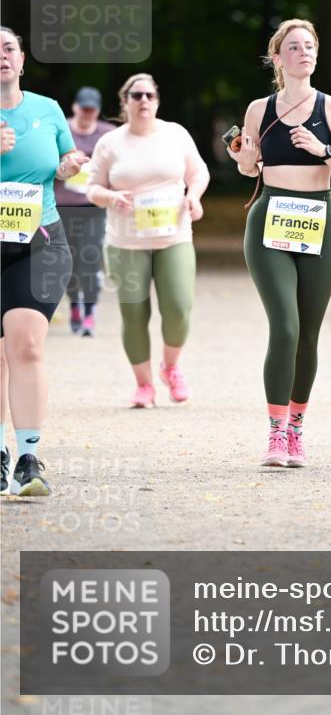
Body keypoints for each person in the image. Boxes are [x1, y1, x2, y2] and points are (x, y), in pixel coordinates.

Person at [229, 19, 331, 468]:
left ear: (316, 55)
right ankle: (274, 433)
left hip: (319, 218)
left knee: (308, 333)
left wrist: (321, 149)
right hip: (270, 218)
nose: (303, 52)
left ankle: (297, 431)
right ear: (278, 58)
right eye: (293, 47)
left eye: (310, 46)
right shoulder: (258, 109)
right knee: (284, 326)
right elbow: (250, 169)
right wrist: (243, 157)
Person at [86, 73, 209, 408]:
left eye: (149, 96)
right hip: (126, 241)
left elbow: (198, 173)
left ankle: (170, 367)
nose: (143, 101)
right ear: (125, 102)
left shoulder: (175, 134)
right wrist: (111, 198)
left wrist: (194, 197)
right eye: (136, 96)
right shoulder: (110, 143)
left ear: (157, 100)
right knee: (134, 315)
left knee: (179, 309)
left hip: (174, 236)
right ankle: (143, 386)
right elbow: (92, 188)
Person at [0, 26, 87, 496]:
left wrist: (71, 163)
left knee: (26, 344)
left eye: (8, 48)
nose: (2, 57)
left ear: (22, 59)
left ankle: (28, 458)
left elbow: (65, 160)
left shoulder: (47, 109)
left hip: (39, 242)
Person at [54, 86, 114, 337]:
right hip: (63, 206)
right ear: (75, 107)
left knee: (89, 260)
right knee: (67, 263)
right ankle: (75, 305)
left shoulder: (108, 134)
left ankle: (89, 312)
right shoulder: (60, 129)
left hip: (93, 207)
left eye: (92, 109)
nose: (88, 113)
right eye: (84, 108)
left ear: (98, 110)